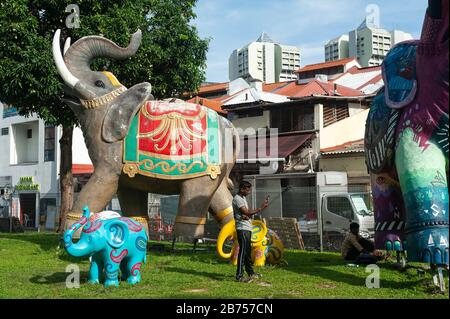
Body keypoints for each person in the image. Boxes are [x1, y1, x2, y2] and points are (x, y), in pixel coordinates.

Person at [233, 180, 269, 282]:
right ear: (242, 189)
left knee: (247, 253)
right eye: (247, 190)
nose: (249, 192)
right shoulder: (238, 199)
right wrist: (261, 208)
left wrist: (246, 215)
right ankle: (239, 276)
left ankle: (250, 273)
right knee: (243, 252)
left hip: (247, 228)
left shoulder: (243, 198)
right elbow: (247, 212)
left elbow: (246, 214)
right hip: (242, 229)